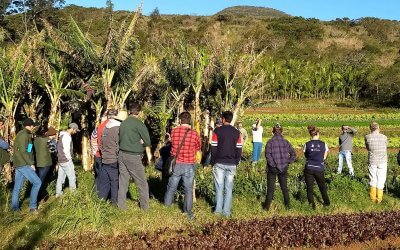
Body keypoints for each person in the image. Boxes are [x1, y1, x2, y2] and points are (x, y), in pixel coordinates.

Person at [164, 112, 201, 220]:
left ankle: (166, 210)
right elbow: (198, 147)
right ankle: (188, 212)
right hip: (189, 164)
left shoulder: (174, 131)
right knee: (188, 190)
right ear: (190, 121)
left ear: (180, 120)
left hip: (176, 164)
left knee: (171, 187)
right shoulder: (194, 134)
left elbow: (171, 145)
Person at [118, 103, 152, 210]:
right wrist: (141, 142)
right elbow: (148, 141)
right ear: (139, 112)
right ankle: (144, 208)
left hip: (122, 154)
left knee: (123, 182)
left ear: (129, 111)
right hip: (133, 156)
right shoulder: (139, 124)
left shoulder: (123, 123)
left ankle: (121, 207)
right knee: (142, 183)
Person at [211, 111, 242, 217]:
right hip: (232, 163)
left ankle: (218, 211)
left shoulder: (217, 131)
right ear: (231, 119)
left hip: (219, 162)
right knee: (228, 188)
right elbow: (239, 149)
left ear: (223, 119)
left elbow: (213, 147)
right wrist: (237, 161)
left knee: (219, 187)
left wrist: (213, 161)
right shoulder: (237, 133)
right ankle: (227, 212)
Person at [11, 118, 41, 212]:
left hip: (20, 163)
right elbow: (24, 151)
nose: (34, 127)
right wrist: (31, 163)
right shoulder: (23, 135)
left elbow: (28, 150)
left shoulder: (27, 134)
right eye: (33, 125)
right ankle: (32, 207)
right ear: (30, 125)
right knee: (37, 182)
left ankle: (15, 209)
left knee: (17, 187)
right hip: (23, 163)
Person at [264, 124, 296, 210]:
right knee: (284, 188)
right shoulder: (286, 142)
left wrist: (273, 165)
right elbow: (293, 154)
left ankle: (266, 208)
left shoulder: (270, 142)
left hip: (272, 168)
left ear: (273, 132)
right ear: (282, 131)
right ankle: (288, 207)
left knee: (270, 189)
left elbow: (267, 155)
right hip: (284, 167)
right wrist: (288, 161)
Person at [99, 110, 128, 204]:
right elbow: (118, 146)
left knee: (104, 183)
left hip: (105, 159)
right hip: (113, 160)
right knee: (115, 183)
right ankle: (115, 204)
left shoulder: (105, 128)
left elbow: (101, 145)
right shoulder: (117, 129)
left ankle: (100, 203)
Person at [303, 125, 330, 209]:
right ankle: (327, 203)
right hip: (319, 168)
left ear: (310, 134)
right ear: (317, 133)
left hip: (309, 167)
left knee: (309, 187)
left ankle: (312, 205)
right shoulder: (323, 144)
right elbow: (324, 157)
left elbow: (306, 155)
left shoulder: (306, 144)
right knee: (322, 186)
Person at [92, 110, 116, 193]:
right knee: (108, 177)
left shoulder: (99, 127)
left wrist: (95, 151)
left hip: (98, 155)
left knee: (99, 175)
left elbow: (93, 139)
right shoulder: (112, 127)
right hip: (107, 156)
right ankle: (107, 196)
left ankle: (96, 193)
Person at [365, 122, 388, 204]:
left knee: (372, 178)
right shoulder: (384, 137)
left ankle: (372, 199)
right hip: (382, 161)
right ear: (378, 128)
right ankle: (379, 199)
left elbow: (367, 148)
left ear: (370, 128)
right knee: (381, 179)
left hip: (372, 160)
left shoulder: (367, 137)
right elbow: (385, 147)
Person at [56, 123, 80, 197]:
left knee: (60, 177)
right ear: (72, 128)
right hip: (66, 160)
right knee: (72, 176)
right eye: (75, 130)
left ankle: (58, 193)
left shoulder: (62, 135)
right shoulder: (67, 136)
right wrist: (69, 159)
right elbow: (66, 150)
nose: (75, 132)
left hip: (60, 159)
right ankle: (73, 194)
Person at [34, 126, 57, 201]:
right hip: (46, 163)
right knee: (40, 181)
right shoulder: (48, 141)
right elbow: (53, 151)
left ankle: (36, 196)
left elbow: (29, 150)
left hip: (37, 162)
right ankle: (38, 197)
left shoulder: (35, 140)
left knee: (37, 180)